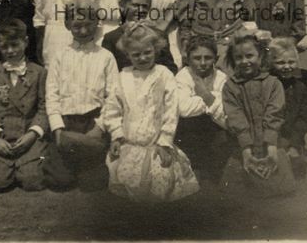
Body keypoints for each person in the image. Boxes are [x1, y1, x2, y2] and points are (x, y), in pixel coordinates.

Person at [0, 19, 73, 191]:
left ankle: (25, 165)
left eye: (14, 45)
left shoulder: (39, 73)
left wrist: (32, 134)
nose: (10, 51)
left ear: (25, 42)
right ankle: (4, 167)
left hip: (28, 137)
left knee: (32, 181)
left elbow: (44, 107)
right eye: (4, 46)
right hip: (1, 139)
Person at [103, 24, 199, 202]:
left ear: (156, 49)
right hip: (129, 144)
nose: (142, 58)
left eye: (147, 52)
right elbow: (112, 109)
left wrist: (165, 142)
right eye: (136, 54)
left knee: (159, 182)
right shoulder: (123, 77)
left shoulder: (163, 75)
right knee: (127, 185)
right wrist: (116, 135)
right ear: (128, 55)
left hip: (156, 144)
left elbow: (171, 111)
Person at [45, 0, 117, 191]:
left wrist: (100, 127)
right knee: (59, 181)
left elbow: (113, 98)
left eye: (88, 25)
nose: (83, 31)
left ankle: (89, 163)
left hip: (93, 122)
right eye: (77, 26)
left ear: (97, 23)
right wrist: (57, 129)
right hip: (66, 122)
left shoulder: (106, 57)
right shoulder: (59, 56)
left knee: (93, 184)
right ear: (68, 25)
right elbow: (51, 95)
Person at [220, 33, 295, 196]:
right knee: (236, 194)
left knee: (280, 191)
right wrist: (246, 152)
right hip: (242, 147)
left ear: (260, 56)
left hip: (271, 145)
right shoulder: (230, 87)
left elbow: (274, 115)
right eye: (238, 57)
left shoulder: (273, 84)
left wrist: (272, 150)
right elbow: (236, 118)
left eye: (249, 56)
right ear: (233, 60)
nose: (245, 61)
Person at [173, 34, 231, 183]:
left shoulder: (221, 78)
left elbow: (225, 114)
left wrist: (204, 94)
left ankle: (214, 176)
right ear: (187, 59)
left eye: (208, 58)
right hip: (190, 131)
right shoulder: (183, 76)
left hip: (215, 129)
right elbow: (184, 109)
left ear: (216, 59)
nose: (203, 63)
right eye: (197, 58)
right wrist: (211, 99)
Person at [102, 0, 178, 74]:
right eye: (135, 5)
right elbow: (107, 71)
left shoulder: (159, 34)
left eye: (145, 6)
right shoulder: (111, 38)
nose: (141, 10)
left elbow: (171, 68)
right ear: (122, 5)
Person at [268, 37, 307, 179]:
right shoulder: (267, 86)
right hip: (269, 136)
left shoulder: (302, 90)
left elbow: (302, 120)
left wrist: (294, 145)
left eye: (291, 62)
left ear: (297, 63)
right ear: (271, 63)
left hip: (291, 136)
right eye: (280, 62)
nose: (286, 66)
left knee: (296, 169)